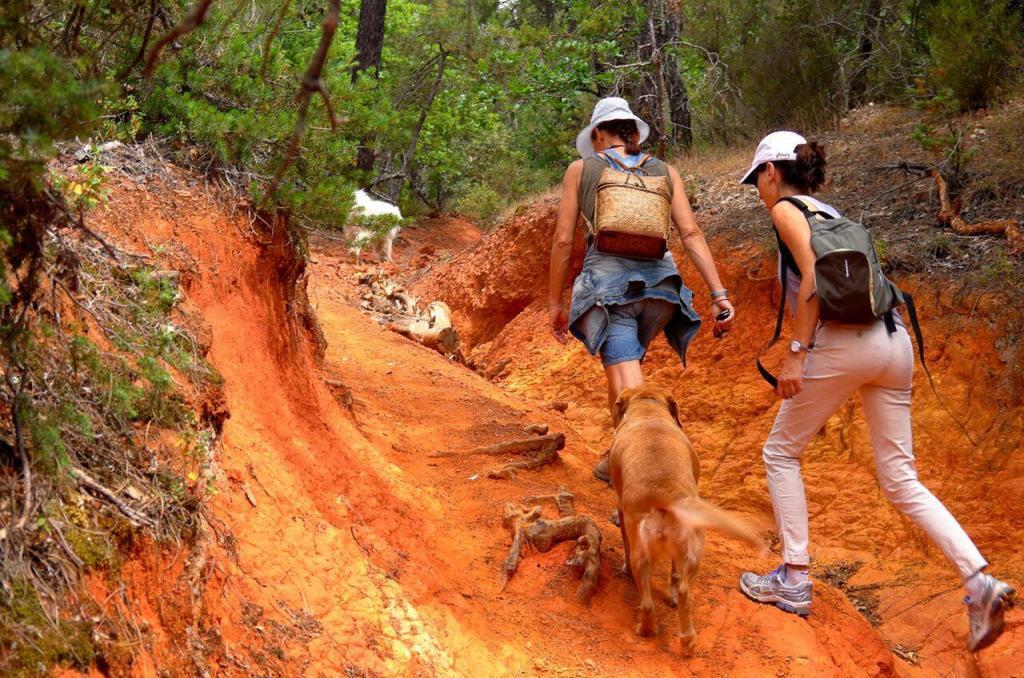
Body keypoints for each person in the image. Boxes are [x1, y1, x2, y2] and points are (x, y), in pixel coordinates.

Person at [736, 131, 1016, 652]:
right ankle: (979, 582)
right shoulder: (832, 211)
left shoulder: (787, 211)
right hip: (893, 343)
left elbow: (817, 281)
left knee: (780, 452)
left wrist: (795, 353)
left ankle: (794, 579)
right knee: (900, 477)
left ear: (772, 172)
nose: (758, 189)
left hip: (842, 345)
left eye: (757, 179)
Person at [548, 97, 735, 482]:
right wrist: (719, 296)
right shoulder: (665, 171)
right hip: (662, 292)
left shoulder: (582, 169)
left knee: (638, 401)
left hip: (610, 289)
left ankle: (653, 475)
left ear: (598, 134)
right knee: (623, 379)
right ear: (631, 132)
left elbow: (564, 241)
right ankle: (617, 458)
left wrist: (555, 301)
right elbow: (691, 233)